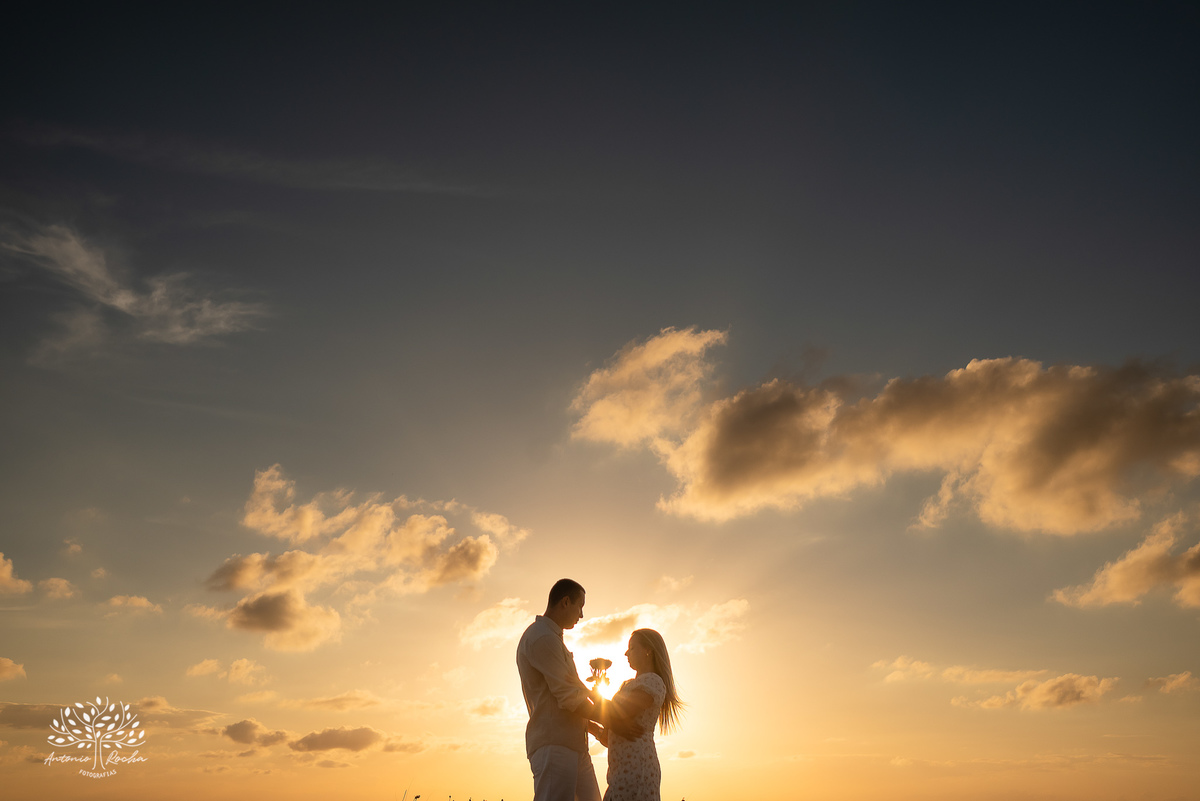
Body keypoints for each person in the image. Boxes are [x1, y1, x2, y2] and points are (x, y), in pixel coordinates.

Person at [517, 578, 606, 801]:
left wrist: (594, 729)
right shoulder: (542, 638)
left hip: (574, 746)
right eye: (580, 606)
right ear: (565, 602)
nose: (582, 615)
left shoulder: (552, 638)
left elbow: (566, 697)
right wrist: (614, 720)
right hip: (554, 747)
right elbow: (570, 698)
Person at [587, 629, 683, 801]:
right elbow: (611, 734)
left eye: (631, 648)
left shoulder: (652, 682)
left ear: (648, 651)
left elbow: (620, 713)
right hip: (622, 769)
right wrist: (589, 725)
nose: (626, 653)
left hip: (638, 767)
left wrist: (588, 695)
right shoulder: (629, 685)